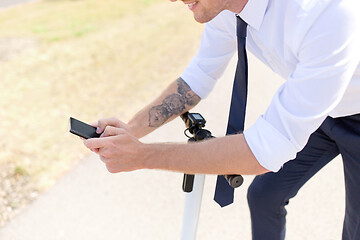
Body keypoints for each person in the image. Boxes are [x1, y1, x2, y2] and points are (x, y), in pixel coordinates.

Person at [83, 0, 360, 239]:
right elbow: (198, 77)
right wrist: (130, 131)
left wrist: (142, 157)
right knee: (264, 197)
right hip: (321, 109)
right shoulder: (226, 7)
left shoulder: (327, 14)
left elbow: (265, 150)